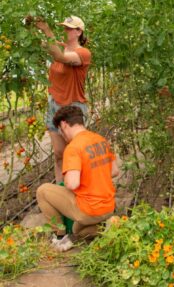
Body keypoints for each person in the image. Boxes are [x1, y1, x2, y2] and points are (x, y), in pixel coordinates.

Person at [36, 105, 119, 252]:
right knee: (77, 230)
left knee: (43, 191)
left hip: (89, 209)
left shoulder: (74, 147)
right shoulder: (100, 140)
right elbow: (114, 171)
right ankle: (107, 226)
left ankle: (59, 237)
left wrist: (69, 178)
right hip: (108, 206)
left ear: (64, 125)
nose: (62, 135)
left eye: (60, 131)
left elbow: (72, 184)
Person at [36, 15, 91, 182]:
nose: (65, 30)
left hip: (72, 107)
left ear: (79, 31)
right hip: (54, 105)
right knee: (59, 154)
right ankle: (62, 188)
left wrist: (46, 30)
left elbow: (60, 58)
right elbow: (49, 49)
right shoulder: (60, 47)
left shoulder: (83, 53)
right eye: (65, 27)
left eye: (69, 28)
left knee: (75, 154)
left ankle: (81, 190)